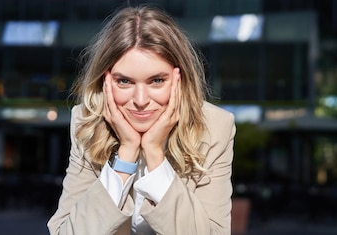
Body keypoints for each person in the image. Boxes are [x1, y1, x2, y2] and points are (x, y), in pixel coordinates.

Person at [47, 5, 236, 235]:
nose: (140, 100)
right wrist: (126, 155)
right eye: (124, 81)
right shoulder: (86, 122)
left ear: (180, 80)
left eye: (156, 80)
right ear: (104, 82)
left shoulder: (215, 127)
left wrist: (155, 154)